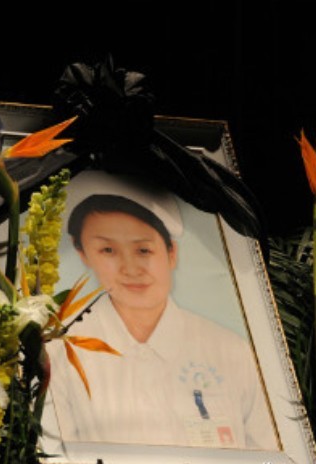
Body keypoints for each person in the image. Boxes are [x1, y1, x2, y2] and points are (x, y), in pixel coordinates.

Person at [43, 170, 279, 450]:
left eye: (143, 250)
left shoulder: (231, 352)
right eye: (108, 250)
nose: (131, 269)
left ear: (171, 253)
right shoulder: (58, 355)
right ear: (83, 254)